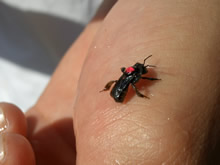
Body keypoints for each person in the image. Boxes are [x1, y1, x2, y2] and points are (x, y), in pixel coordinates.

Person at [0, 0, 220, 164]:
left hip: (75, 82)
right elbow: (135, 79)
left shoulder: (131, 73)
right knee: (127, 83)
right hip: (25, 89)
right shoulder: (133, 76)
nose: (138, 69)